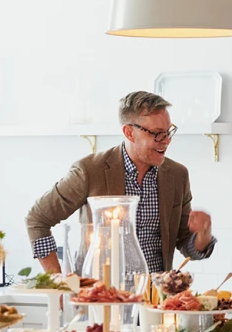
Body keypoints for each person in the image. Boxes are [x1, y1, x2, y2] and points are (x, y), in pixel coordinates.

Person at [26, 91, 216, 275]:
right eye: (157, 134)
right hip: (101, 297)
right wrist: (56, 279)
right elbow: (37, 219)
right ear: (129, 132)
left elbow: (185, 243)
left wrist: (203, 235)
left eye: (168, 132)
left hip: (155, 300)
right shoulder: (90, 171)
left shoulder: (177, 175)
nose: (166, 141)